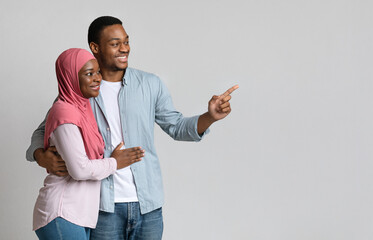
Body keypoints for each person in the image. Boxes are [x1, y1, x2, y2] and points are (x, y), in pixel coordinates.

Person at [26, 16, 238, 240]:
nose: (124, 48)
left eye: (126, 41)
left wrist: (209, 117)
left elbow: (177, 126)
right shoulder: (81, 90)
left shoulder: (150, 84)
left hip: (148, 205)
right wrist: (40, 155)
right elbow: (45, 129)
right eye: (115, 43)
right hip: (102, 207)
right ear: (95, 48)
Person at [33, 48, 145, 239]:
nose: (97, 78)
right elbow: (80, 170)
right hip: (62, 211)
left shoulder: (81, 108)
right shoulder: (65, 113)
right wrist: (115, 162)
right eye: (88, 74)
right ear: (70, 77)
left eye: (98, 72)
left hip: (77, 215)